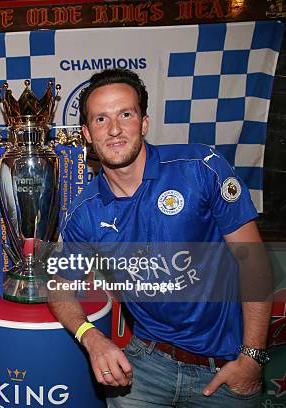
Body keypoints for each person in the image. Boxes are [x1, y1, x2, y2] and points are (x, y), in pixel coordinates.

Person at [48, 68, 271, 407]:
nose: (115, 130)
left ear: (145, 122)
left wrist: (252, 357)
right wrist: (91, 338)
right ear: (86, 134)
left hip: (226, 366)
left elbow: (253, 261)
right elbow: (58, 284)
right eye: (100, 119)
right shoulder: (85, 211)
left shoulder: (200, 168)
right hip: (146, 365)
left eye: (125, 114)